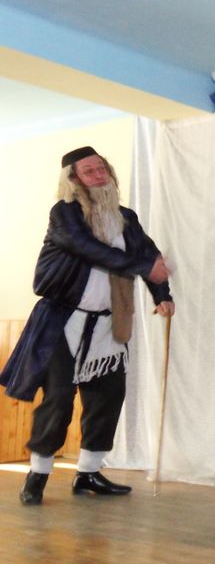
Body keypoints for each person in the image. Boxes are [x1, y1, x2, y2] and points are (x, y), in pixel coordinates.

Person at [1, 146, 174, 505]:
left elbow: (147, 254)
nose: (98, 175)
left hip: (109, 327)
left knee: (108, 397)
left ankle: (89, 473)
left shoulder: (125, 217)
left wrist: (162, 293)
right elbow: (87, 248)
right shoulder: (65, 214)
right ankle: (37, 475)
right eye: (89, 171)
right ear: (73, 179)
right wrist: (143, 267)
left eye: (101, 168)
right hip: (62, 322)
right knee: (58, 400)